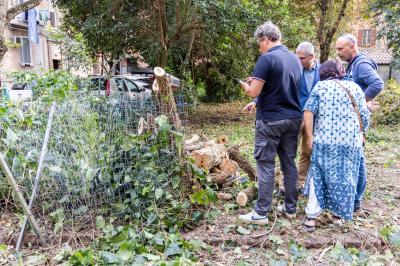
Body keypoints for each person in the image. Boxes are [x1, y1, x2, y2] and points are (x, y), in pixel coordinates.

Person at [237, 21, 303, 225]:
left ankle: (261, 213)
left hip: (271, 121)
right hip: (293, 119)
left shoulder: (266, 59)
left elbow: (254, 90)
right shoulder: (295, 59)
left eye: (260, 43)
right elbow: (281, 87)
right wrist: (257, 100)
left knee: (265, 164)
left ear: (265, 39)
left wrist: (246, 87)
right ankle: (290, 208)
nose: (260, 47)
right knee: (288, 163)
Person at [243, 42, 321, 195]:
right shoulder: (294, 67)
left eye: (302, 58)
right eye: (297, 57)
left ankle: (300, 182)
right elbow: (279, 89)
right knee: (287, 154)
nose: (299, 61)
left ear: (312, 56)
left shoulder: (322, 71)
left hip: (313, 118)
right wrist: (256, 102)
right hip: (295, 115)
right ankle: (284, 187)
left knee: (307, 151)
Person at [302, 60, 370, 231]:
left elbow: (308, 111)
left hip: (325, 141)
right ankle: (337, 216)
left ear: (323, 73)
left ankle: (311, 218)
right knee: (345, 177)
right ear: (341, 72)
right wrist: (362, 133)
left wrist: (310, 136)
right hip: (350, 143)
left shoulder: (320, 87)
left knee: (318, 176)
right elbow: (364, 115)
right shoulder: (355, 88)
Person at [336, 33, 383, 212]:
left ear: (352, 46)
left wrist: (360, 103)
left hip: (358, 122)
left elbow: (377, 84)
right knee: (355, 156)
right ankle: (354, 198)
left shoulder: (361, 64)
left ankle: (356, 201)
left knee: (358, 157)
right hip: (354, 120)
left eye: (341, 49)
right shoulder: (353, 64)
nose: (338, 53)